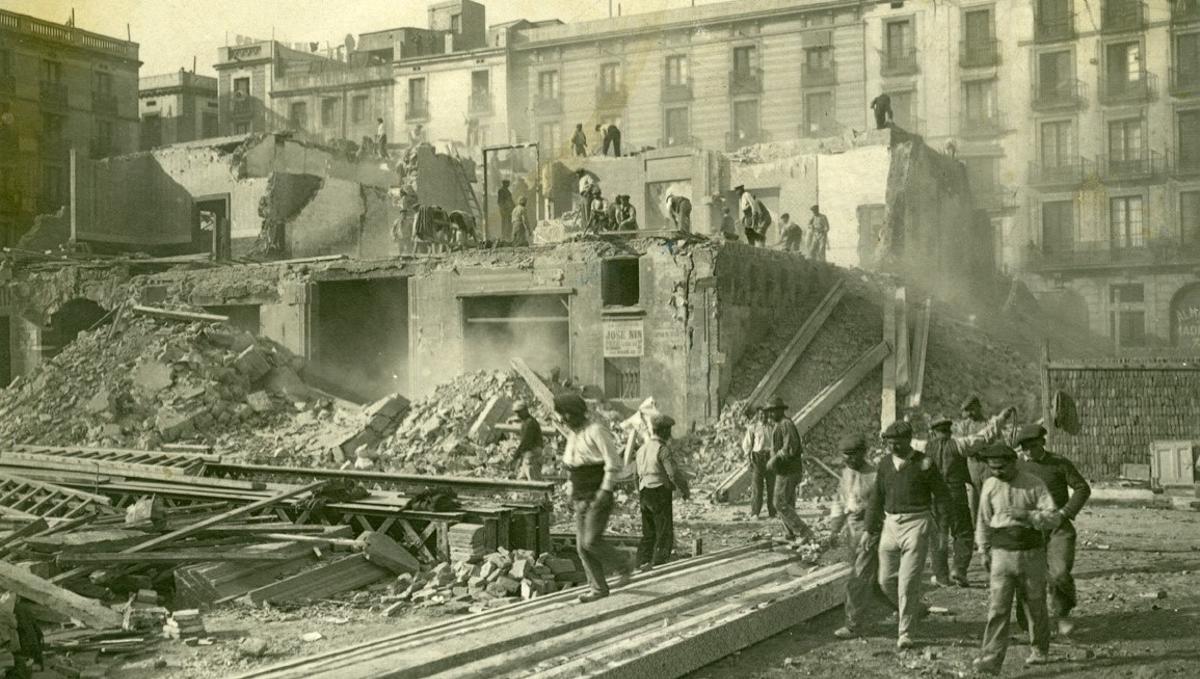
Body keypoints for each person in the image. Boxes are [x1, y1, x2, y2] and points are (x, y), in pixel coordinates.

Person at [973, 443, 1062, 674]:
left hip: (1031, 553)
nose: (997, 472)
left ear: (1014, 463)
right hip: (1001, 555)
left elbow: (1053, 518)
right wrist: (983, 550)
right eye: (993, 468)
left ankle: (1040, 650)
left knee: (1035, 604)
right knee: (998, 608)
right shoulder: (990, 485)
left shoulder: (1034, 484)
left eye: (1001, 467)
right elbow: (983, 520)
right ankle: (990, 658)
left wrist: (1028, 515)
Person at [866, 420, 950, 649]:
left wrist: (943, 530)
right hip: (890, 524)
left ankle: (905, 632)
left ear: (908, 440)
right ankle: (916, 609)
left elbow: (942, 497)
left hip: (917, 523)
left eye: (897, 443)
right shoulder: (884, 464)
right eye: (889, 443)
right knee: (885, 581)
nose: (892, 447)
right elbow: (876, 498)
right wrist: (869, 529)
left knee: (908, 582)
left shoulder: (924, 463)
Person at [1014, 424, 1091, 637]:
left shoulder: (1058, 463)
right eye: (1024, 447)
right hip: (1029, 530)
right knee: (1025, 577)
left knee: (1059, 573)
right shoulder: (1016, 466)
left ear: (1042, 443)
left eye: (1033, 446)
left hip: (1058, 529)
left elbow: (1082, 488)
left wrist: (1065, 513)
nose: (1029, 451)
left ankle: (1062, 613)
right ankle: (1027, 621)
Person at [554, 393, 633, 603]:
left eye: (566, 415)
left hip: (597, 494)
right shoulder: (572, 435)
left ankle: (623, 564)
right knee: (581, 546)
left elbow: (613, 462)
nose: (563, 420)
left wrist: (605, 491)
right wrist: (570, 490)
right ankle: (598, 588)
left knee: (591, 541)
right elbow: (572, 466)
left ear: (576, 414)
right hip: (580, 496)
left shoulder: (596, 431)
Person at [924, 409, 1015, 588]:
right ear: (949, 431)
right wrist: (1001, 418)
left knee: (939, 536)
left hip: (935, 497)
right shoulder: (959, 444)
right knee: (964, 533)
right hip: (955, 494)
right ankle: (959, 570)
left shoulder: (923, 447)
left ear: (933, 433)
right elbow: (984, 437)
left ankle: (941, 576)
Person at [831, 433, 897, 639]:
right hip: (852, 531)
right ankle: (911, 607)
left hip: (871, 531)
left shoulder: (875, 475)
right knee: (875, 581)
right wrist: (834, 530)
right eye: (845, 455)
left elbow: (882, 507)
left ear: (863, 453)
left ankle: (853, 625)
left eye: (852, 455)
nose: (848, 459)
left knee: (858, 579)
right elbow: (840, 503)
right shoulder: (846, 474)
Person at [635, 414, 690, 569]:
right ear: (664, 431)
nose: (670, 434)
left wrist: (640, 492)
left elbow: (635, 475)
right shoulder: (662, 449)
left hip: (644, 491)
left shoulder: (641, 450)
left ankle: (642, 562)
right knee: (664, 531)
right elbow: (672, 473)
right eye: (669, 430)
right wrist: (684, 489)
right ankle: (660, 565)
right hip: (659, 492)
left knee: (648, 532)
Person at [763, 396, 815, 543]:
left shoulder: (785, 424)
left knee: (779, 503)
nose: (770, 414)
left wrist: (774, 458)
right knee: (787, 503)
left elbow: (791, 447)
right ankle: (790, 533)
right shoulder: (779, 425)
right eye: (769, 412)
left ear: (780, 411)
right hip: (785, 470)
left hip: (788, 471)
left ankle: (805, 532)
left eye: (773, 411)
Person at [955, 395, 992, 521]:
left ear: (978, 407)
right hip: (971, 466)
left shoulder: (988, 424)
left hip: (987, 465)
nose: (970, 413)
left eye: (972, 409)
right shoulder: (964, 426)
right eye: (967, 410)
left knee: (988, 498)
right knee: (973, 502)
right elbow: (960, 444)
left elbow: (997, 444)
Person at [741, 407, 774, 520]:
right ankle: (755, 512)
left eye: (765, 414)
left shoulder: (772, 427)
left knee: (772, 485)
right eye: (761, 415)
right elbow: (747, 445)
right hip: (758, 458)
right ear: (757, 415)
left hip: (770, 458)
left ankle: (772, 512)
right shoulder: (753, 428)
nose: (763, 417)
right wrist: (748, 461)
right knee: (757, 487)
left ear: (768, 415)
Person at [510, 400, 544, 481]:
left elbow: (526, 442)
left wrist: (515, 456)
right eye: (516, 412)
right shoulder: (527, 422)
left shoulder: (529, 423)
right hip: (528, 455)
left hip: (532, 455)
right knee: (522, 480)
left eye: (519, 412)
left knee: (535, 483)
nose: (518, 415)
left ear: (525, 410)